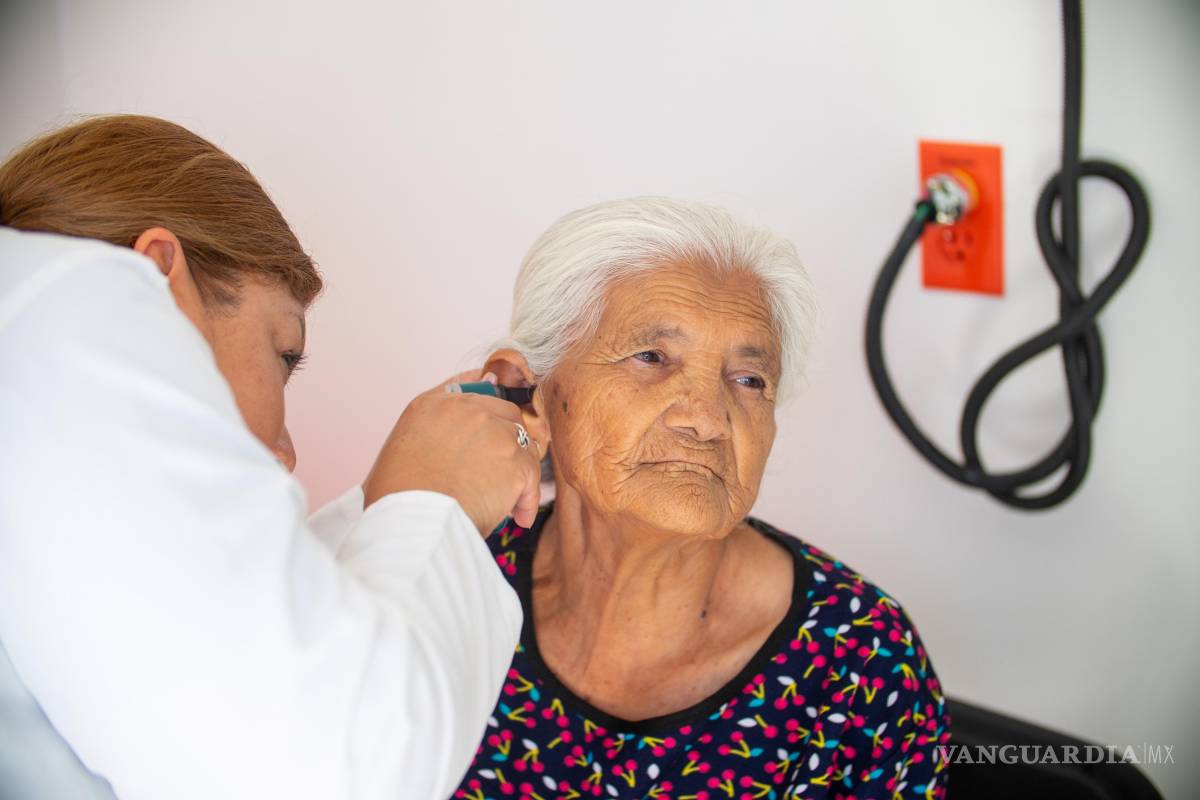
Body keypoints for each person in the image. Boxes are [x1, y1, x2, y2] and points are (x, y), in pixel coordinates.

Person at [0, 115, 544, 800]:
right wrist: (435, 501)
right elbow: (333, 768)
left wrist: (380, 510)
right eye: (282, 353)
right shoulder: (75, 317)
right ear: (155, 276)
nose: (285, 452)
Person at [448, 197, 951, 799]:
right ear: (526, 393)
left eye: (748, 380)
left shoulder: (859, 660)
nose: (709, 419)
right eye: (652, 358)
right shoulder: (447, 583)